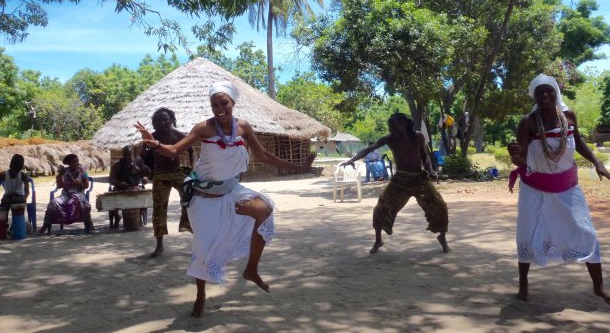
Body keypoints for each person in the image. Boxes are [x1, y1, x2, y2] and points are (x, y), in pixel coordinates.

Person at [135, 81, 316, 318]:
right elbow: (173, 151)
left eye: (224, 103)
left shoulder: (243, 127)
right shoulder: (203, 128)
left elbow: (264, 155)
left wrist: (298, 167)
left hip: (231, 191)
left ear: (232, 103)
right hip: (203, 198)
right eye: (214, 104)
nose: (219, 108)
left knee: (264, 209)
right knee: (203, 250)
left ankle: (251, 271)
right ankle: (200, 294)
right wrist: (155, 143)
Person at [507, 73, 610, 304]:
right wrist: (513, 154)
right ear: (534, 97)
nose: (544, 95)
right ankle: (523, 282)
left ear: (556, 93)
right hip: (535, 185)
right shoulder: (528, 122)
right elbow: (521, 160)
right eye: (539, 92)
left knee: (586, 232)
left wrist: (598, 163)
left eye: (549, 90)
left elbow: (580, 141)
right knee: (528, 231)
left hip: (566, 185)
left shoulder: (569, 116)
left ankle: (599, 287)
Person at [341, 112, 451, 255]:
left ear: (405, 124)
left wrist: (431, 170)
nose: (393, 129)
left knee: (439, 206)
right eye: (391, 126)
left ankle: (442, 237)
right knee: (381, 207)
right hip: (400, 180)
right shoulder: (390, 139)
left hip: (419, 179)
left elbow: (425, 156)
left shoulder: (418, 137)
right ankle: (378, 240)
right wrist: (352, 160)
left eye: (395, 126)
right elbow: (370, 148)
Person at [142, 107, 194, 257]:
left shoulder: (179, 135)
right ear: (154, 123)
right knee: (159, 209)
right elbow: (142, 157)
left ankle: (195, 237)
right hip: (160, 174)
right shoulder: (151, 139)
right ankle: (159, 245)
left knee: (191, 202)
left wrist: (194, 168)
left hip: (177, 172)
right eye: (158, 121)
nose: (162, 123)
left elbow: (192, 152)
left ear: (172, 120)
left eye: (165, 120)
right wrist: (142, 167)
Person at [38, 154, 94, 234]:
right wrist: (60, 176)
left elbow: (87, 186)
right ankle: (45, 225)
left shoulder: (82, 170)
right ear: (69, 163)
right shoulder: (65, 171)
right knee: (53, 203)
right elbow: (59, 186)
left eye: (77, 161)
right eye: (74, 161)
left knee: (81, 204)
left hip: (79, 194)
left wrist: (78, 183)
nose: (77, 163)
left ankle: (88, 223)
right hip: (65, 195)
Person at [108, 145, 151, 228]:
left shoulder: (137, 165)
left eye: (129, 155)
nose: (127, 157)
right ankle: (116, 216)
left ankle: (139, 214)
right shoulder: (117, 165)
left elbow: (144, 176)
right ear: (122, 154)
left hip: (134, 188)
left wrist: (145, 179)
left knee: (141, 194)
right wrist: (118, 184)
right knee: (112, 199)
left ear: (132, 154)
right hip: (120, 188)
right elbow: (110, 179)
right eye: (125, 155)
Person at [0, 154, 30, 231]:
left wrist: (24, 197)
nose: (15, 173)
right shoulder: (2, 175)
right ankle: (4, 226)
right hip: (8, 196)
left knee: (18, 202)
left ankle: (16, 225)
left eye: (17, 171)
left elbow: (27, 191)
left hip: (19, 196)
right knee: (5, 202)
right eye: (14, 170)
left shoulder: (23, 175)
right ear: (11, 166)